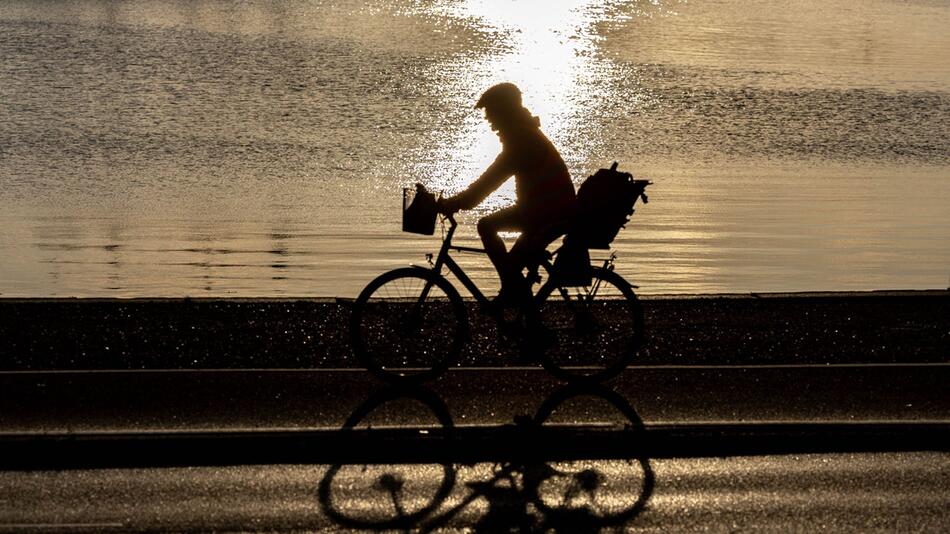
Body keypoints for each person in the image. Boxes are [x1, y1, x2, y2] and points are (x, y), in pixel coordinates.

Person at [438, 83, 577, 307]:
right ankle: (523, 310)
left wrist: (456, 203)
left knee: (489, 230)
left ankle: (514, 293)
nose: (489, 121)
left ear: (504, 111)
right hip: (542, 209)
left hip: (547, 212)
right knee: (510, 265)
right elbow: (490, 180)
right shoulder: (525, 134)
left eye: (491, 113)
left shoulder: (522, 141)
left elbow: (489, 182)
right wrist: (459, 201)